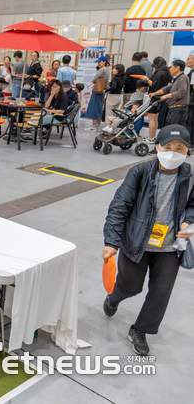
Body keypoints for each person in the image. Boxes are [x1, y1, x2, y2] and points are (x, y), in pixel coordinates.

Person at [102, 125, 194, 356]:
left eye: (179, 148)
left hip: (170, 248)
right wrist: (111, 242)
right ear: (157, 147)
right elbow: (119, 207)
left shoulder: (190, 176)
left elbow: (192, 205)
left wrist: (187, 222)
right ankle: (114, 298)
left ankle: (140, 330)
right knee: (129, 286)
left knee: (160, 293)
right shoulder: (140, 172)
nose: (173, 152)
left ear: (187, 150)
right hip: (136, 242)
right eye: (168, 147)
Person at [149, 60, 189, 127]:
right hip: (174, 108)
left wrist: (167, 96)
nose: (169, 69)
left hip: (178, 109)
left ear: (177, 68)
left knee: (174, 129)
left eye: (171, 67)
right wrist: (154, 93)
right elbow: (167, 88)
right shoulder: (177, 79)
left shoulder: (183, 78)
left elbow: (181, 92)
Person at [145, 57, 173, 143]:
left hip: (154, 96)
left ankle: (151, 137)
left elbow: (154, 85)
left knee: (152, 118)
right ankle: (153, 136)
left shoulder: (159, 73)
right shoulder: (166, 73)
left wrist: (146, 79)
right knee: (155, 118)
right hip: (161, 97)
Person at [84, 56, 111, 131]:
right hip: (102, 91)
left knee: (94, 107)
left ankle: (93, 126)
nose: (98, 63)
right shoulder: (108, 71)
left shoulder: (101, 70)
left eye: (100, 62)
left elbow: (93, 80)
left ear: (104, 62)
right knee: (99, 108)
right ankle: (98, 126)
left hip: (97, 90)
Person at [103, 64, 126, 131]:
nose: (113, 70)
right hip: (119, 96)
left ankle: (108, 126)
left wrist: (106, 90)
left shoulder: (115, 78)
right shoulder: (123, 78)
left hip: (112, 96)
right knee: (115, 112)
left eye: (115, 69)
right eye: (113, 68)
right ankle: (114, 128)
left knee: (109, 112)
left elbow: (113, 87)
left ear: (119, 70)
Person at [186, 53, 194, 145]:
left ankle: (188, 143)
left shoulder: (193, 73)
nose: (186, 61)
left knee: (189, 122)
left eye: (188, 59)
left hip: (191, 102)